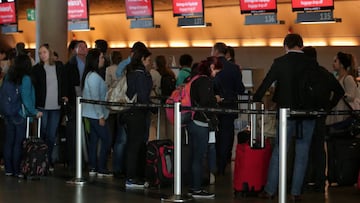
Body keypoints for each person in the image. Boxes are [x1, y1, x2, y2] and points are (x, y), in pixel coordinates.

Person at [253, 33, 319, 201]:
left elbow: (265, 84)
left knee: (279, 151)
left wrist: (256, 98)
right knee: (302, 153)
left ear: (286, 46)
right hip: (307, 113)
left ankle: (270, 190)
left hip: (285, 114)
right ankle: (296, 192)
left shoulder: (280, 62)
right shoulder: (311, 63)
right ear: (301, 46)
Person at [302, 46, 344, 193]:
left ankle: (305, 180)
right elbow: (339, 91)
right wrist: (329, 106)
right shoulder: (325, 73)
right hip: (321, 115)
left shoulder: (303, 74)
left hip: (305, 116)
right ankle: (320, 180)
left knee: (304, 149)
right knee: (319, 149)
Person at [3, 54, 43, 177]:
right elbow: (26, 99)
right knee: (18, 143)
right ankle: (17, 170)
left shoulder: (8, 76)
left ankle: (8, 169)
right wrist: (35, 112)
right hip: (20, 114)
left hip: (8, 113)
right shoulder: (25, 78)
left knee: (9, 141)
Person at [186, 57, 221, 199]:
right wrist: (216, 99)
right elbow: (206, 101)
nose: (216, 74)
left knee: (194, 156)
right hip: (201, 123)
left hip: (193, 121)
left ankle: (193, 186)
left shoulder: (194, 78)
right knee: (199, 157)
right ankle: (197, 188)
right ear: (212, 67)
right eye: (216, 71)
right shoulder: (205, 81)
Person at [211, 42, 245, 175]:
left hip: (214, 106)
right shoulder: (234, 68)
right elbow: (240, 89)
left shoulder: (211, 66)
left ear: (215, 51)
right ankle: (222, 165)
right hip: (230, 105)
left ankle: (212, 165)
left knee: (214, 135)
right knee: (227, 136)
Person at [31, 44, 66, 171]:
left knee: (51, 135)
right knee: (43, 133)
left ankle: (49, 159)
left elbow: (63, 83)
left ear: (49, 53)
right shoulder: (36, 69)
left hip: (56, 106)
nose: (42, 55)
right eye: (40, 53)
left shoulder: (59, 67)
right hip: (42, 106)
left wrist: (64, 96)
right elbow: (34, 88)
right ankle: (41, 160)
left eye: (44, 52)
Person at [124, 47, 153, 188]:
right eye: (148, 60)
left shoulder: (131, 72)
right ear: (142, 59)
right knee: (135, 145)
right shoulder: (141, 75)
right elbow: (142, 96)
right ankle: (131, 177)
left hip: (130, 112)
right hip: (138, 113)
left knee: (132, 145)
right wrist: (152, 107)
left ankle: (132, 176)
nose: (150, 62)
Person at [81, 48, 112, 177]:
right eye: (101, 57)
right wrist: (100, 116)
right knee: (107, 139)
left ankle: (93, 166)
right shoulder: (94, 76)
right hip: (95, 114)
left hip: (90, 113)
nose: (103, 60)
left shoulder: (90, 75)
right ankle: (101, 167)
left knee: (94, 140)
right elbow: (95, 98)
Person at [63, 40, 88, 169]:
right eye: (81, 47)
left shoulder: (90, 65)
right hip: (73, 101)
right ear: (75, 50)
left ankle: (85, 159)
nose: (84, 49)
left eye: (85, 47)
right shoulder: (70, 65)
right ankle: (73, 160)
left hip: (87, 101)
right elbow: (66, 82)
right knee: (73, 131)